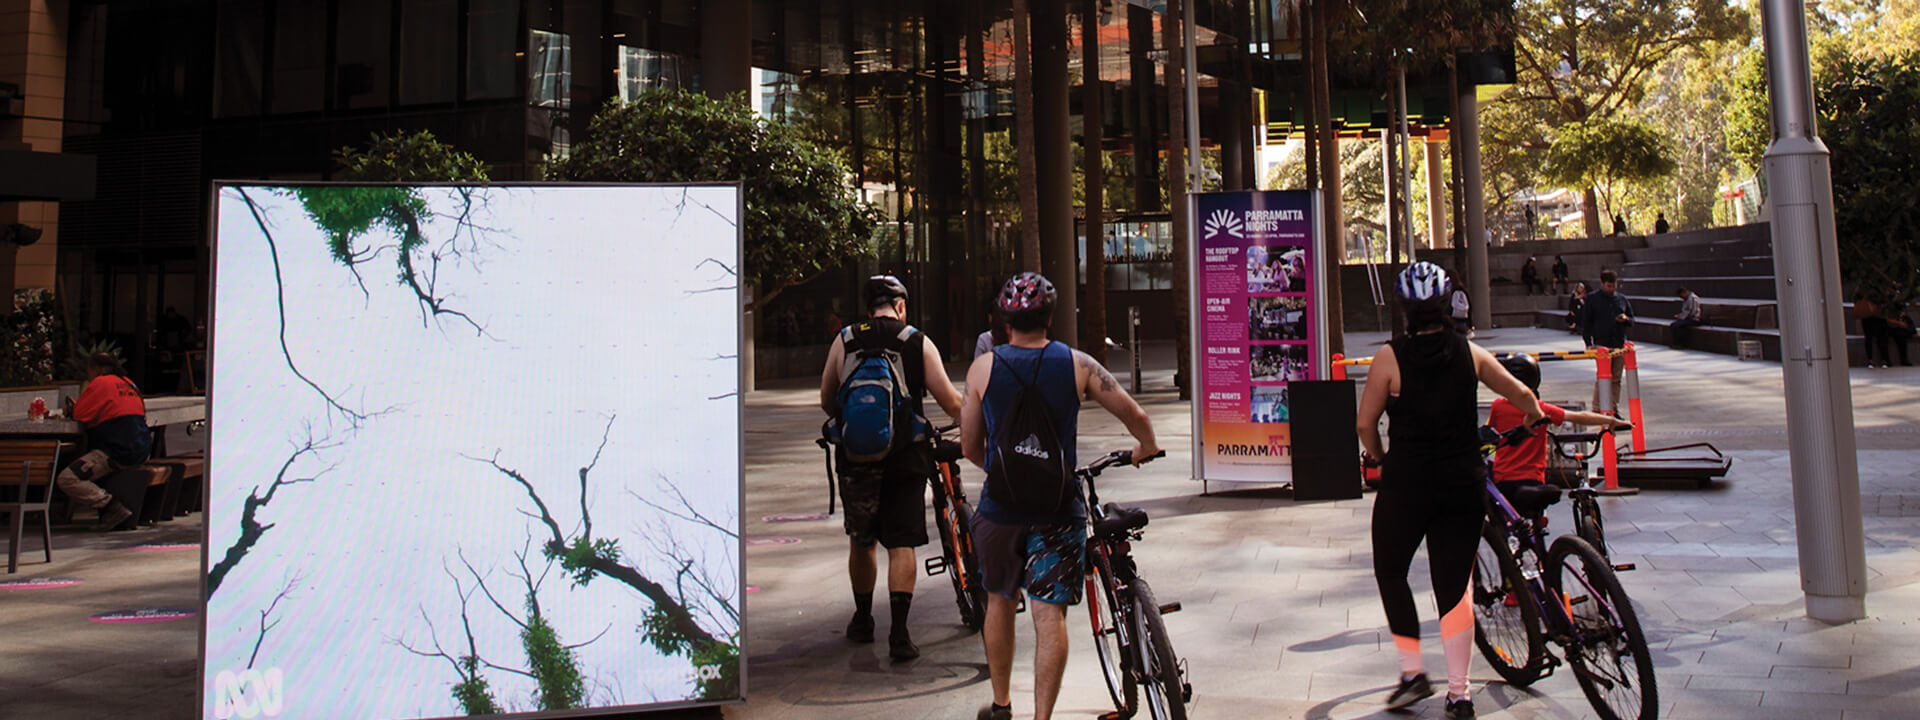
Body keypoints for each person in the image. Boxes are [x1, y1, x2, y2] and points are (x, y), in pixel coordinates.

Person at [961, 272, 1160, 720]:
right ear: (1051, 317)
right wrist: (1144, 448)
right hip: (1058, 510)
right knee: (1049, 614)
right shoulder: (1078, 365)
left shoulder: (982, 369)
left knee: (999, 601)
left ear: (1004, 320)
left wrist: (1004, 470)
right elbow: (1136, 415)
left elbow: (970, 445)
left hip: (999, 510)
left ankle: (1001, 704)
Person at [1357, 262, 1545, 719]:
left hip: (1406, 483)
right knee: (1455, 589)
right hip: (1462, 483)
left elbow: (1365, 424)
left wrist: (1379, 456)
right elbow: (1521, 393)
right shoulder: (1470, 353)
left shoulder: (1389, 358)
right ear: (1447, 306)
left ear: (1404, 309)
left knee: (1391, 570)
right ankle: (1460, 694)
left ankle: (1412, 672)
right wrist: (1532, 415)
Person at [819, 275, 965, 660]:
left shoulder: (846, 339)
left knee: (861, 539)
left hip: (856, 458)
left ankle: (863, 620)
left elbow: (827, 399)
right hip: (906, 456)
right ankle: (899, 635)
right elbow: (950, 402)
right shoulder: (916, 341)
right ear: (901, 306)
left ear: (869, 309)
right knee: (901, 543)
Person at [1487, 354, 1632, 520]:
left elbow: (1489, 431)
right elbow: (1580, 417)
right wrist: (1611, 421)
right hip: (1533, 480)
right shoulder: (1541, 409)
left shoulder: (1498, 407)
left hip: (1503, 481)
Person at [55, 353, 153, 532]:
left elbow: (79, 414)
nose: (89, 376)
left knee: (67, 479)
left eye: (89, 371)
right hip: (142, 448)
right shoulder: (129, 383)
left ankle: (110, 506)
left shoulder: (100, 383)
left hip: (116, 451)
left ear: (97, 369)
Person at [1579, 270, 1635, 412]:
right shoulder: (1592, 299)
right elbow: (1586, 322)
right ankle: (1598, 408)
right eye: (1608, 286)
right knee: (1603, 377)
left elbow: (1632, 319)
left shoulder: (1621, 299)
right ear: (1602, 283)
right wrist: (1588, 343)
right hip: (1601, 343)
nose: (1611, 289)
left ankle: (1613, 408)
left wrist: (1625, 319)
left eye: (1613, 286)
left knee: (1616, 379)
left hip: (1618, 344)